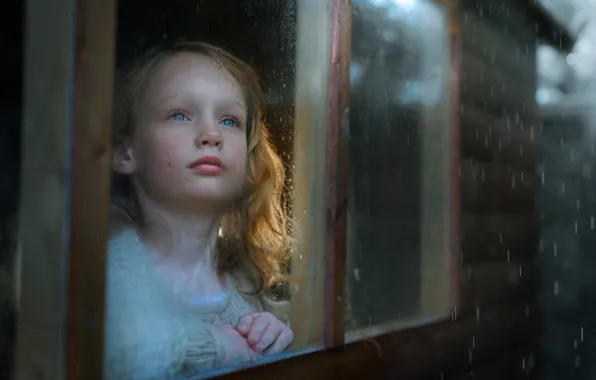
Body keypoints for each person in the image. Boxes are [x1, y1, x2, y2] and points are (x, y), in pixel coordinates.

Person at [105, 40, 293, 379]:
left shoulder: (245, 278)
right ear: (125, 152)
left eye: (230, 121)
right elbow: (126, 350)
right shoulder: (113, 255)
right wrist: (213, 346)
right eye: (179, 114)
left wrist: (273, 334)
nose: (211, 134)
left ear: (249, 163)